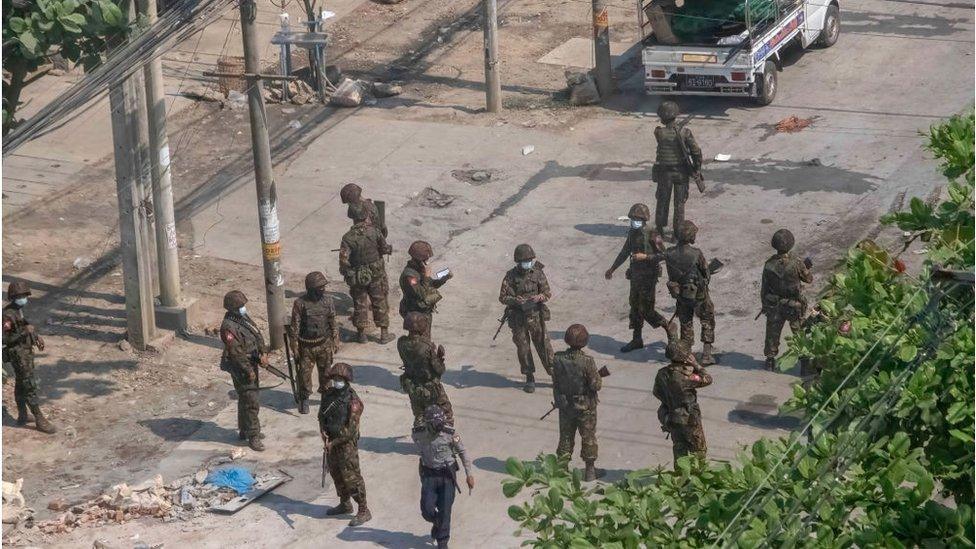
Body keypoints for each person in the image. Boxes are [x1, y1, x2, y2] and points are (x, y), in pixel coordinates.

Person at [605, 203, 678, 352]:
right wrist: (612, 268)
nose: (634, 222)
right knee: (635, 307)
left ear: (644, 220)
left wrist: (646, 256)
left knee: (647, 310)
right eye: (632, 219)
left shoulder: (652, 233)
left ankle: (668, 327)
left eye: (637, 219)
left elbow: (664, 255)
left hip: (648, 278)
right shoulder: (633, 232)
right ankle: (636, 338)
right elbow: (624, 252)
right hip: (635, 276)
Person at [412, 404, 474, 549]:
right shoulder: (418, 433)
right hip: (429, 476)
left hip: (447, 476)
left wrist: (469, 474)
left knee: (445, 510)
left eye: (441, 421)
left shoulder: (450, 433)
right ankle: (437, 522)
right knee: (426, 510)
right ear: (427, 423)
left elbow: (463, 452)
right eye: (436, 423)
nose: (440, 425)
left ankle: (442, 542)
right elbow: (417, 443)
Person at [319, 362, 371, 526]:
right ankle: (345, 503)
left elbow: (350, 431)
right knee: (336, 474)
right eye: (334, 378)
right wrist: (323, 432)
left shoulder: (353, 401)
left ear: (347, 380)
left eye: (339, 378)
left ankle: (363, 510)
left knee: (352, 478)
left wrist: (333, 442)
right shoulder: (329, 395)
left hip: (345, 445)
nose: (336, 381)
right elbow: (321, 415)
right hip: (331, 442)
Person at [498, 244, 554, 393]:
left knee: (544, 346)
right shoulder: (510, 276)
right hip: (518, 319)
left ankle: (554, 374)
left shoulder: (538, 273)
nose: (527, 262)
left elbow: (547, 293)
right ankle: (529, 377)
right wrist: (515, 300)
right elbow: (502, 297)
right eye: (525, 260)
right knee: (523, 349)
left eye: (529, 260)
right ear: (518, 261)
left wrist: (540, 297)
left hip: (536, 316)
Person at [2, 281, 56, 434]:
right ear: (13, 297)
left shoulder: (18, 310)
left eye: (24, 295)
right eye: (20, 296)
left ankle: (22, 415)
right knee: (29, 385)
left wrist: (36, 336)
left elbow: (25, 326)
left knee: (20, 384)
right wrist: (24, 332)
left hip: (25, 353)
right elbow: (4, 340)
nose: (23, 298)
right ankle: (39, 419)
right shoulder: (8, 315)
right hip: (18, 355)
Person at [551, 324, 602, 481]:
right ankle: (590, 471)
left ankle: (562, 469)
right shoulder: (587, 361)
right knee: (588, 436)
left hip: (565, 405)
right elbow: (596, 385)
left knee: (566, 436)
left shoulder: (558, 358)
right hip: (585, 406)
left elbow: (556, 381)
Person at [219, 290, 268, 451]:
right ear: (233, 308)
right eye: (240, 306)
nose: (243, 308)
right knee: (251, 400)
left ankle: (244, 429)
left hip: (251, 362)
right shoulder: (228, 326)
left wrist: (263, 353)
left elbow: (257, 334)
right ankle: (253, 436)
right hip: (240, 367)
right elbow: (236, 352)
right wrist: (248, 370)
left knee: (245, 398)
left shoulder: (243, 319)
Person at [339, 202, 394, 344]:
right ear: (365, 215)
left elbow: (344, 260)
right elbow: (384, 248)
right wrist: (388, 249)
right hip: (376, 274)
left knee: (360, 303)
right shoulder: (375, 232)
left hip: (357, 276)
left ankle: (361, 335)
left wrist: (348, 273)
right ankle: (384, 334)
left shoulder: (347, 238)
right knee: (379, 301)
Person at [664, 221, 716, 365]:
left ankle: (686, 353)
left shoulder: (669, 253)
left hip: (681, 295)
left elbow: (671, 276)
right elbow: (706, 274)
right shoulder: (696, 253)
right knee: (707, 319)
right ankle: (706, 354)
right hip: (699, 294)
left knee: (686, 323)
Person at [761, 229, 813, 370]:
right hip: (793, 305)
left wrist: (765, 305)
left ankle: (770, 360)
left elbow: (764, 288)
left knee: (772, 332)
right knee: (799, 332)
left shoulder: (769, 264)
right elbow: (808, 279)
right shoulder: (796, 263)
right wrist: (807, 267)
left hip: (775, 304)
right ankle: (804, 362)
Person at [288, 271, 339, 414]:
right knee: (304, 376)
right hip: (306, 346)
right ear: (311, 288)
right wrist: (294, 346)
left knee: (326, 374)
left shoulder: (328, 301)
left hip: (324, 344)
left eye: (323, 286)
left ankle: (326, 398)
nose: (323, 289)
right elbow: (295, 326)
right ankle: (304, 400)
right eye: (319, 287)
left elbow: (333, 321)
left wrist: (335, 339)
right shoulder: (300, 303)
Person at [653, 342, 712, 465]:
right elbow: (708, 379)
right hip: (689, 419)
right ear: (685, 357)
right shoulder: (687, 377)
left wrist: (669, 401)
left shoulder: (662, 373)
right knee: (699, 451)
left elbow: (656, 392)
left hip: (671, 417)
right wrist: (696, 364)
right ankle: (699, 478)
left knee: (679, 451)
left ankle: (681, 480)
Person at [653, 100, 701, 239]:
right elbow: (696, 151)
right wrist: (696, 168)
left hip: (664, 173)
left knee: (662, 200)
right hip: (680, 172)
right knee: (679, 203)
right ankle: (677, 232)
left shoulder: (659, 133)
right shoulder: (684, 132)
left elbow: (666, 135)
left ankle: (660, 229)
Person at [398, 312, 453, 426]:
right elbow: (439, 370)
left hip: (412, 385)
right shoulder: (427, 346)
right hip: (431, 387)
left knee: (419, 415)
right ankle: (448, 439)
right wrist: (440, 358)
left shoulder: (401, 342)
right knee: (446, 412)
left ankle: (420, 437)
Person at [399, 240, 452, 339]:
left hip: (423, 312)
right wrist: (426, 276)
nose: (427, 262)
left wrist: (444, 278)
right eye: (425, 259)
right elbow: (422, 294)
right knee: (422, 342)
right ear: (418, 259)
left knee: (425, 338)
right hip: (415, 314)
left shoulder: (419, 270)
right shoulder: (410, 276)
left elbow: (430, 285)